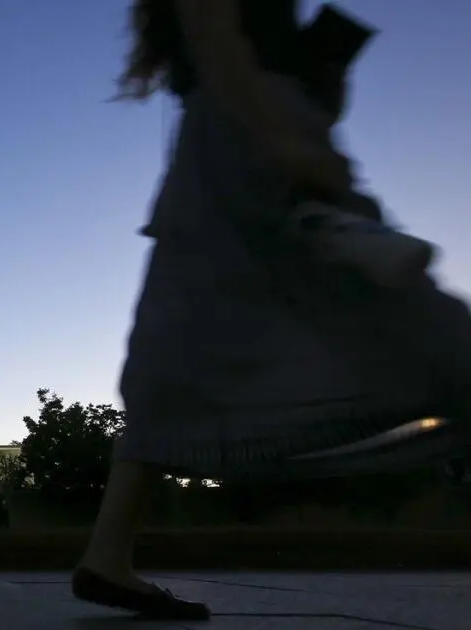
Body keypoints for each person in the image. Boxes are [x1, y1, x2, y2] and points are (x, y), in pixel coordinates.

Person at [72, 0, 471, 620]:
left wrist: (317, 82)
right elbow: (216, 33)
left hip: (228, 142)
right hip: (251, 139)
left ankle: (107, 553)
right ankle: (107, 555)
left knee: (174, 355)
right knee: (408, 321)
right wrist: (285, 138)